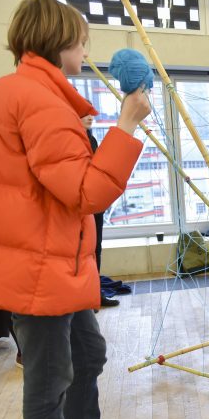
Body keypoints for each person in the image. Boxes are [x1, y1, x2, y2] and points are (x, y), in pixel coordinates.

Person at [0, 0, 151, 419]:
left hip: (56, 261)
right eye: (82, 39)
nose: (87, 49)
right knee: (47, 381)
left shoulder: (23, 93)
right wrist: (126, 125)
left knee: (87, 354)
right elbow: (86, 193)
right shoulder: (36, 99)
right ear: (59, 40)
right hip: (39, 265)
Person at [82, 114, 120, 308]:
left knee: (96, 248)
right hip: (82, 205)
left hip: (95, 205)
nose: (90, 117)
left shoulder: (91, 138)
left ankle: (95, 295)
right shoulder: (73, 140)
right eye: (84, 114)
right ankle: (87, 299)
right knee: (86, 251)